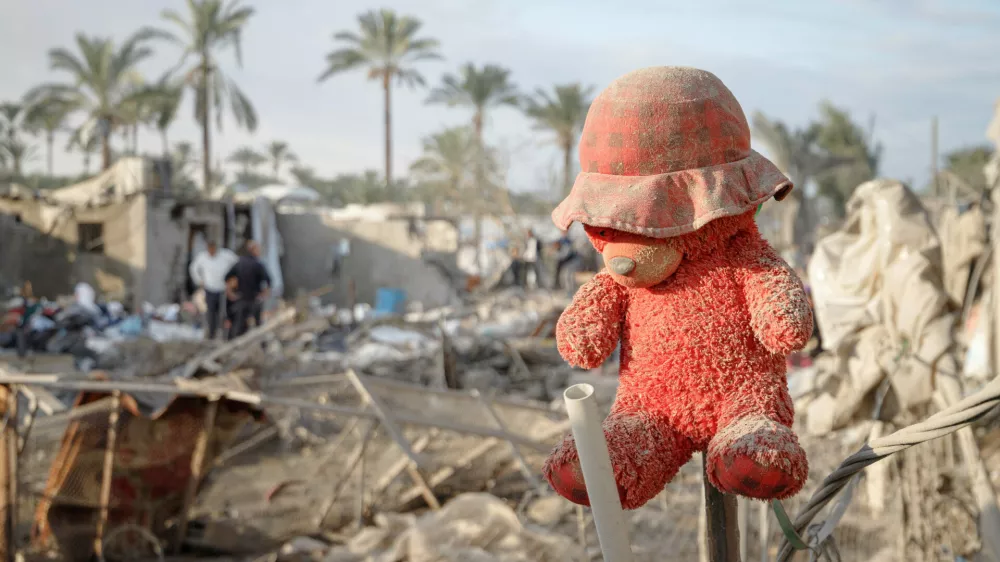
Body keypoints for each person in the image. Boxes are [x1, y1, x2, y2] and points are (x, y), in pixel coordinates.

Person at [189, 240, 238, 340]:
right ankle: (211, 334)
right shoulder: (202, 257)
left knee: (223, 312)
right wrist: (199, 280)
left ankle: (224, 335)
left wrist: (233, 279)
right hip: (210, 288)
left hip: (223, 289)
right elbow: (193, 268)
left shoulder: (226, 255)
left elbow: (237, 263)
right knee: (211, 312)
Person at [224, 240, 271, 340]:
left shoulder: (239, 263)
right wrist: (264, 294)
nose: (259, 251)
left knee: (239, 324)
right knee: (257, 324)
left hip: (241, 298)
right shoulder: (257, 264)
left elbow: (226, 277)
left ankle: (234, 343)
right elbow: (268, 281)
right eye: (257, 249)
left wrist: (230, 293)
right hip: (253, 299)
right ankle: (260, 343)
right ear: (252, 250)